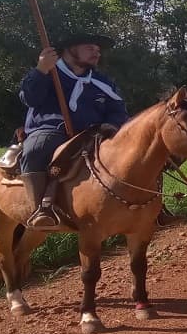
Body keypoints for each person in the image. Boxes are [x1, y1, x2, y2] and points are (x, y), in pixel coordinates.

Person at [18, 33, 128, 229]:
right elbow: (29, 99)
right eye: (90, 48)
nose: (97, 52)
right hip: (53, 131)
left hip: (96, 134)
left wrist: (111, 125)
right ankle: (40, 211)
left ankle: (149, 205)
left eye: (98, 49)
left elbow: (117, 110)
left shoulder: (103, 82)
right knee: (35, 149)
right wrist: (41, 69)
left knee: (135, 151)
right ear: (69, 50)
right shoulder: (48, 73)